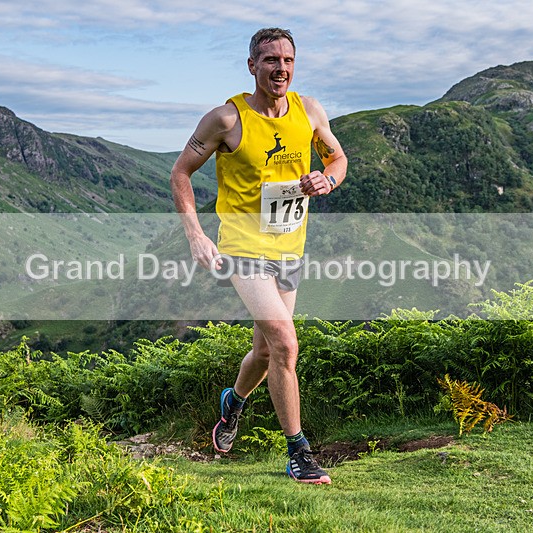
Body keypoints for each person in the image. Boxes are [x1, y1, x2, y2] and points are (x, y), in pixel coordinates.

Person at [170, 28, 347, 484]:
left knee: (266, 351)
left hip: (291, 248)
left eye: (288, 60)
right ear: (252, 65)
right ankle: (300, 454)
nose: (280, 68)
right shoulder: (226, 120)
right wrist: (195, 235)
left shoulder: (309, 112)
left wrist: (327, 179)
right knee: (287, 344)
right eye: (270, 60)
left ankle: (233, 403)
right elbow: (181, 173)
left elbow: (337, 159)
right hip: (243, 250)